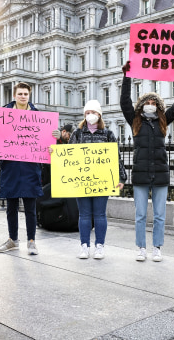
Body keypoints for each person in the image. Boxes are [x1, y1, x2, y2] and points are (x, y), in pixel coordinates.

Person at [120, 61, 174, 262]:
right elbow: (124, 103)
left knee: (160, 215)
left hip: (161, 173)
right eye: (148, 102)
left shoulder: (164, 120)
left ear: (159, 106)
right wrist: (127, 75)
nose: (151, 105)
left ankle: (157, 247)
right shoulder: (135, 120)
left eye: (154, 103)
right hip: (140, 174)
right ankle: (141, 248)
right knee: (140, 215)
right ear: (142, 105)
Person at [0, 82, 57, 255]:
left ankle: (31, 241)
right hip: (10, 167)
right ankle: (13, 240)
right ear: (14, 95)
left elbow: (47, 143)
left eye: (26, 94)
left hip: (30, 167)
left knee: (30, 208)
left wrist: (55, 137)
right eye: (20, 94)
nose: (23, 96)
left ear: (29, 95)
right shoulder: (3, 114)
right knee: (11, 206)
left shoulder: (38, 116)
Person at [68, 100, 126, 259]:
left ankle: (99, 245)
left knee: (100, 214)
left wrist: (121, 177)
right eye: (87, 113)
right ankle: (84, 246)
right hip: (82, 180)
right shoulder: (77, 133)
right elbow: (68, 156)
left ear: (99, 115)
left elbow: (116, 157)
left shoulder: (108, 134)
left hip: (103, 181)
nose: (90, 116)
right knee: (84, 215)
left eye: (93, 113)